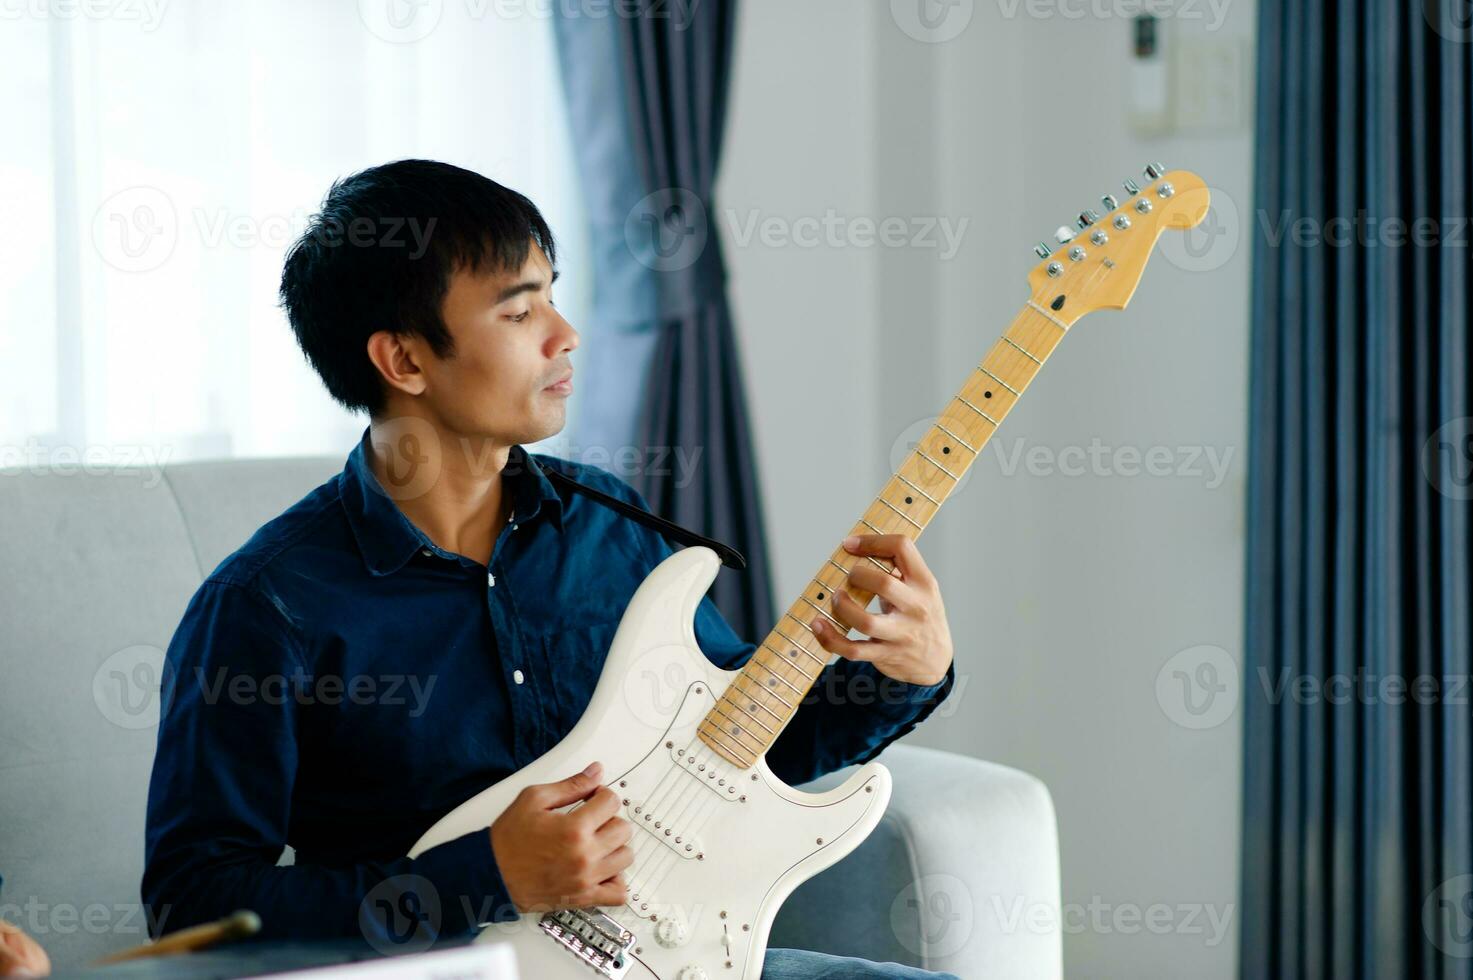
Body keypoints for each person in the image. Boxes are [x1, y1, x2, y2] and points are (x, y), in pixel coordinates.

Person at [142, 159, 960, 979]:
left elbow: (736, 755)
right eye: (519, 309)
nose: (564, 334)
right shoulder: (265, 605)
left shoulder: (611, 526)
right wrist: (480, 877)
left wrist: (902, 674)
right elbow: (195, 905)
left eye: (553, 295)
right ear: (404, 361)